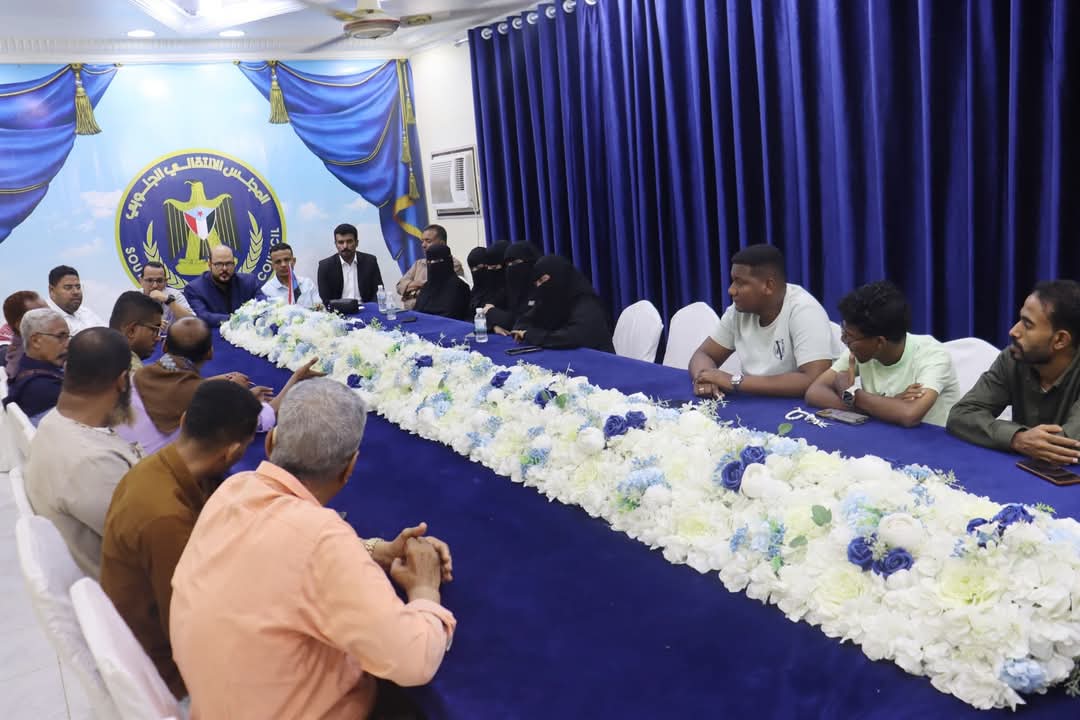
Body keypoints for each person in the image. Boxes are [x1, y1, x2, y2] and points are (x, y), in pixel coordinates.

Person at [171, 379, 456, 719]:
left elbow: (290, 546)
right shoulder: (323, 540)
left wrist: (373, 550)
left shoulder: (235, 488)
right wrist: (425, 589)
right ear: (349, 468)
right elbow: (413, 662)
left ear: (271, 442)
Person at [101, 380, 263, 699]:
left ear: (184, 419)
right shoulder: (166, 519)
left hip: (145, 629)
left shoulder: (153, 468)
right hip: (163, 670)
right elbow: (191, 628)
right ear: (234, 452)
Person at [23, 328, 142, 578]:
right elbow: (148, 544)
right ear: (122, 381)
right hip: (125, 589)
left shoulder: (53, 421)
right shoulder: (93, 462)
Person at [120, 317, 319, 455]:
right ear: (210, 353)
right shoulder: (206, 399)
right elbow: (266, 416)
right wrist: (296, 379)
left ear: (164, 347)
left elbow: (180, 386)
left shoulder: (139, 375)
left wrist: (224, 385)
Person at [947, 280, 1080, 465]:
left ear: (1060, 340)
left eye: (1027, 324)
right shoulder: (1013, 359)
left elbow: (1067, 446)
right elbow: (961, 416)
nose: (1013, 331)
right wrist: (1017, 438)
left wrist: (1007, 436)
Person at [804, 281, 961, 427]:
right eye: (843, 331)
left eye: (849, 336)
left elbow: (909, 415)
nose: (843, 340)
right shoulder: (858, 350)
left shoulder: (933, 355)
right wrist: (883, 406)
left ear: (879, 342)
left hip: (933, 441)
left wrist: (850, 393)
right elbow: (814, 392)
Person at [689, 244, 834, 398]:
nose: (731, 290)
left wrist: (734, 381)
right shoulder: (738, 311)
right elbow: (704, 354)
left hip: (801, 406)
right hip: (757, 400)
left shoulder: (804, 310)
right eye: (733, 281)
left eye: (740, 282)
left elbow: (814, 379)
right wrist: (704, 378)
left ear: (768, 286)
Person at [504, 255, 615, 353]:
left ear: (560, 274)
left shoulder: (586, 301)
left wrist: (532, 335)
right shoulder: (549, 300)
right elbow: (523, 322)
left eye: (543, 280)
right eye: (537, 283)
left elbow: (575, 337)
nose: (540, 286)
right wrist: (525, 332)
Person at [3, 308, 68, 419]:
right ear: (35, 341)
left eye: (67, 336)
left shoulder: (19, 365)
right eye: (60, 337)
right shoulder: (46, 389)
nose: (67, 344)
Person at [182, 246, 265, 327]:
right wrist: (237, 319)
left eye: (229, 264)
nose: (224, 268)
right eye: (219, 264)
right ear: (209, 264)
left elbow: (264, 304)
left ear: (234, 264)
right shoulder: (194, 289)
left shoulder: (249, 282)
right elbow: (202, 316)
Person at [396, 224, 465, 310]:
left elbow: (437, 290)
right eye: (422, 241)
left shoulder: (453, 264)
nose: (423, 245)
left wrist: (411, 289)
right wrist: (420, 284)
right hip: (410, 311)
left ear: (442, 244)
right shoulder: (419, 263)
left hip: (433, 312)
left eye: (428, 241)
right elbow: (399, 286)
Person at [317, 223, 384, 305]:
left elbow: (378, 291)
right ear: (336, 244)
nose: (345, 246)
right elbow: (325, 300)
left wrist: (372, 308)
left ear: (356, 243)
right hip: (339, 310)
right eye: (341, 242)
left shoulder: (370, 261)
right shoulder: (325, 266)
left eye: (349, 241)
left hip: (366, 308)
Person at [485, 241, 540, 332]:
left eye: (514, 263)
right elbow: (482, 312)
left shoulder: (542, 288)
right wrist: (493, 327)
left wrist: (492, 312)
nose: (510, 268)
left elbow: (524, 323)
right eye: (508, 265)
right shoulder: (510, 288)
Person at [109, 291, 164, 372]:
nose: (158, 338)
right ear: (132, 330)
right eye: (155, 330)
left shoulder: (93, 354)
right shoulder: (133, 375)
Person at [414, 244, 472, 320]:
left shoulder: (459, 287)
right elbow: (416, 312)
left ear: (448, 261)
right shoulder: (426, 287)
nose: (431, 265)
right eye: (429, 262)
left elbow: (451, 315)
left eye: (436, 261)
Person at [45, 265, 106, 335]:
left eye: (78, 287)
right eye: (68, 287)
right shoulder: (45, 318)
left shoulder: (86, 313)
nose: (76, 292)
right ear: (52, 290)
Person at [3, 290, 48, 380]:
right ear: (21, 325)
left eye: (50, 312)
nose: (54, 318)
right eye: (43, 316)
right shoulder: (23, 366)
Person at [262, 242, 319, 308]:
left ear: (294, 261)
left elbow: (320, 309)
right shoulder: (266, 291)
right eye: (278, 262)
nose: (283, 265)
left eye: (286, 260)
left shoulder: (307, 284)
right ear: (272, 266)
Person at [139, 262, 193, 326]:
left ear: (165, 281)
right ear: (141, 281)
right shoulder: (133, 297)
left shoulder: (175, 294)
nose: (155, 286)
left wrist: (168, 301)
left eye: (159, 281)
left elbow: (192, 323)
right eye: (149, 280)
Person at [467, 245, 505, 311]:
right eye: (472, 268)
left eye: (478, 267)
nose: (475, 271)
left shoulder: (500, 290)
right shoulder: (475, 291)